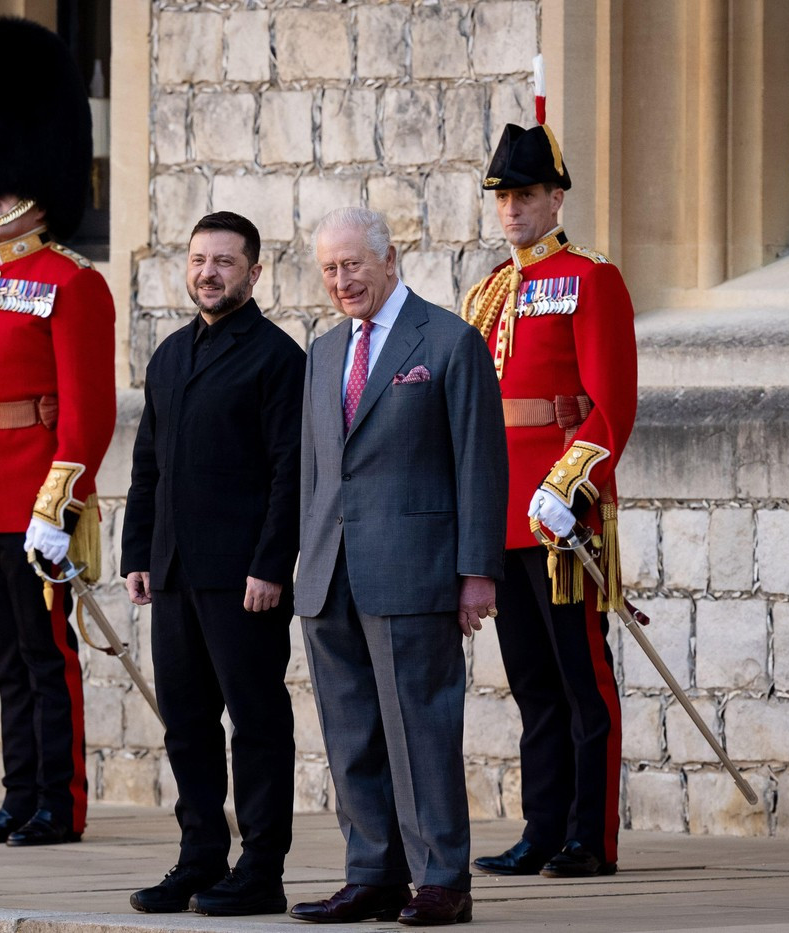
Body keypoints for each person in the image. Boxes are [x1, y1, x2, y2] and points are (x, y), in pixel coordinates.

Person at [289, 207, 507, 927]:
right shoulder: (322, 352)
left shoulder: (449, 341)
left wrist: (477, 571)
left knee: (421, 732)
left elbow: (481, 463)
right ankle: (371, 873)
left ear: (389, 258)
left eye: (353, 264)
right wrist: (303, 560)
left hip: (415, 572)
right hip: (331, 573)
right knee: (350, 734)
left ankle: (441, 877)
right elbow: (316, 472)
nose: (342, 279)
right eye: (329, 268)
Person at [0, 17, 117, 848]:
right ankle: (18, 796)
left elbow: (89, 410)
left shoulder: (71, 281)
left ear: (37, 185)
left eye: (1, 190)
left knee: (49, 658)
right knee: (8, 660)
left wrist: (61, 500)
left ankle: (59, 801)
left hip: (35, 497)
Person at [460, 90, 637, 878]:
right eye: (503, 196)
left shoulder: (589, 277)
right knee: (530, 680)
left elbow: (611, 404)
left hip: (561, 509)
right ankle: (540, 826)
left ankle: (587, 835)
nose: (513, 210)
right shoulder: (491, 289)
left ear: (556, 197)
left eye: (525, 195)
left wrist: (570, 484)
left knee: (580, 676)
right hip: (503, 509)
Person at [121, 212, 304, 916]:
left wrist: (270, 565)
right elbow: (148, 466)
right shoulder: (168, 355)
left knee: (257, 722)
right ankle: (200, 856)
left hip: (245, 581)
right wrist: (139, 551)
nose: (209, 272)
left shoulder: (278, 358)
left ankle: (261, 866)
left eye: (225, 261)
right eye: (200, 259)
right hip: (173, 573)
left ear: (253, 273)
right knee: (187, 724)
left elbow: (291, 472)